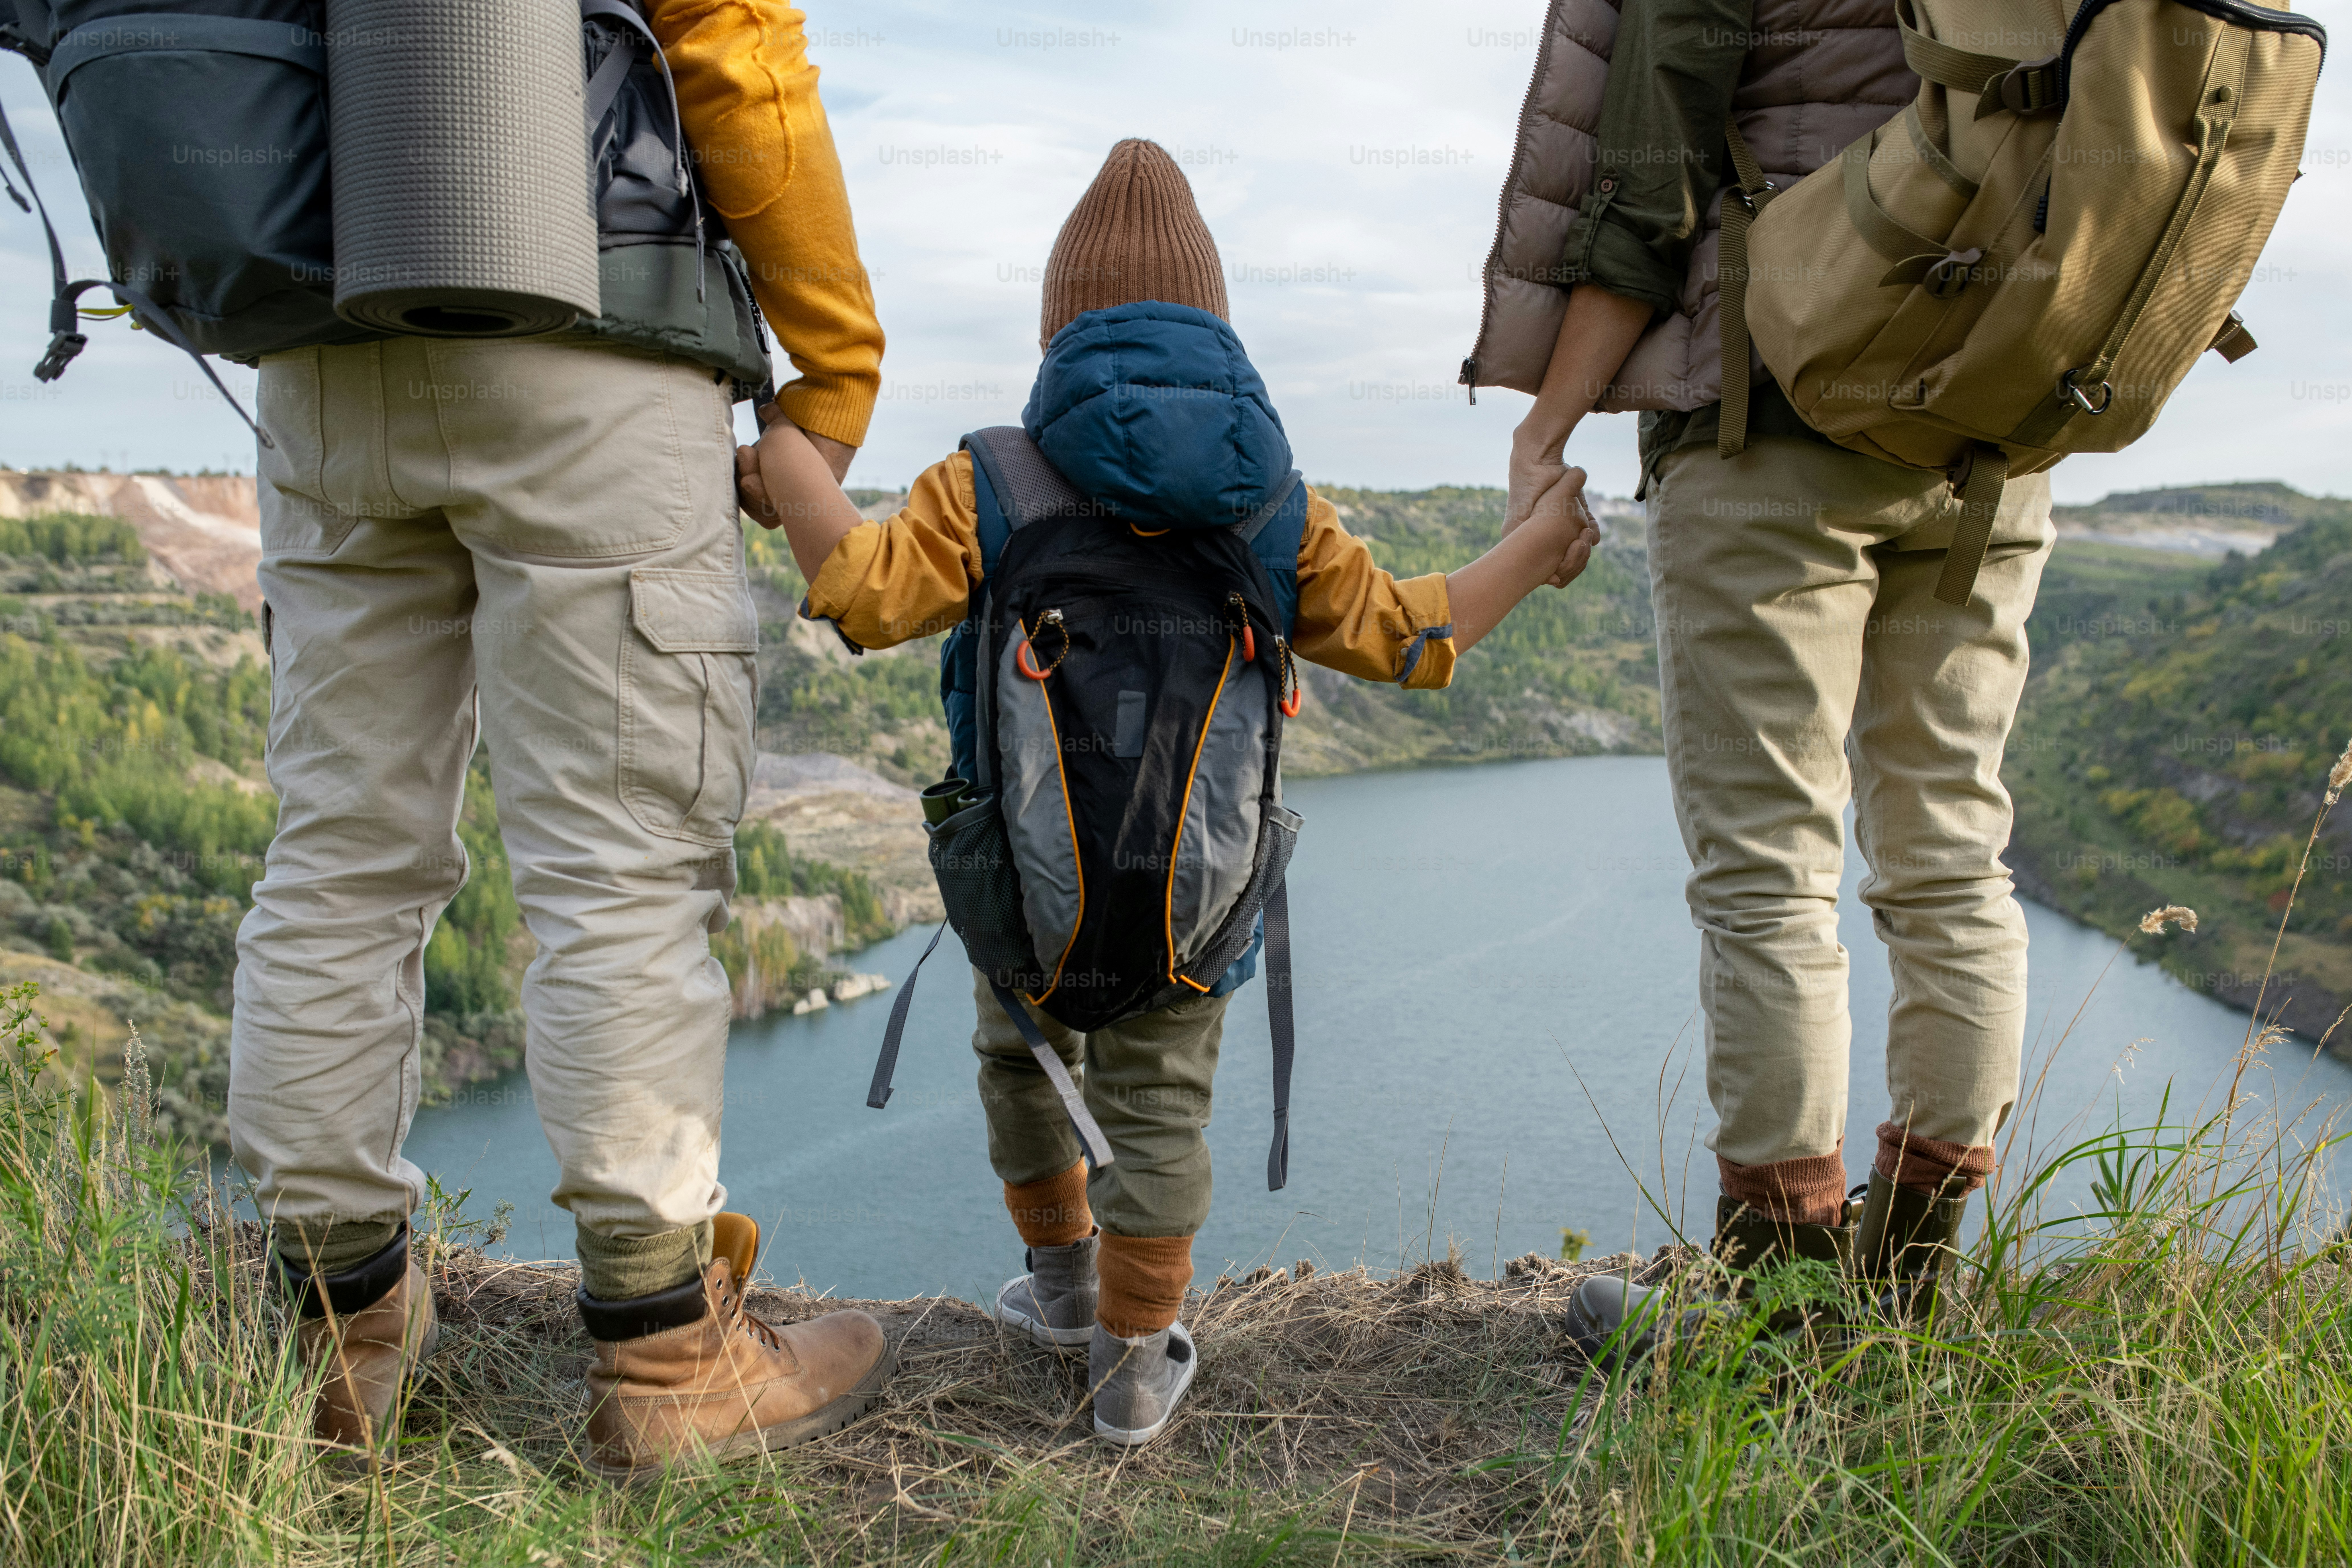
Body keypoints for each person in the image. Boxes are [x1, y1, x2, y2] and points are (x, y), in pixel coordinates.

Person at [737, 138, 1602, 1444]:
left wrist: (789, 458)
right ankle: (1133, 1366)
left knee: (1025, 1067)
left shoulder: (994, 476)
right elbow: (1412, 641)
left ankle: (1060, 1282)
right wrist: (1538, 548)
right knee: (1159, 1108)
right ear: (1217, 324)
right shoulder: (1271, 508)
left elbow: (858, 595)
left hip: (1024, 899)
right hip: (1201, 911)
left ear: (1057, 323)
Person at [227, 3, 894, 1480]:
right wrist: (832, 371)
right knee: (621, 870)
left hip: (317, 338)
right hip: (591, 323)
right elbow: (728, 40)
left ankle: (341, 1345)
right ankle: (666, 1358)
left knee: (339, 852)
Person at [1491, 1, 2058, 1361]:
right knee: (1952, 861)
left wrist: (1544, 425)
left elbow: (1646, 186)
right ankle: (1907, 1288)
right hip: (1996, 427)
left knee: (1768, 877)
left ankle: (1783, 1316)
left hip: (1777, 418)